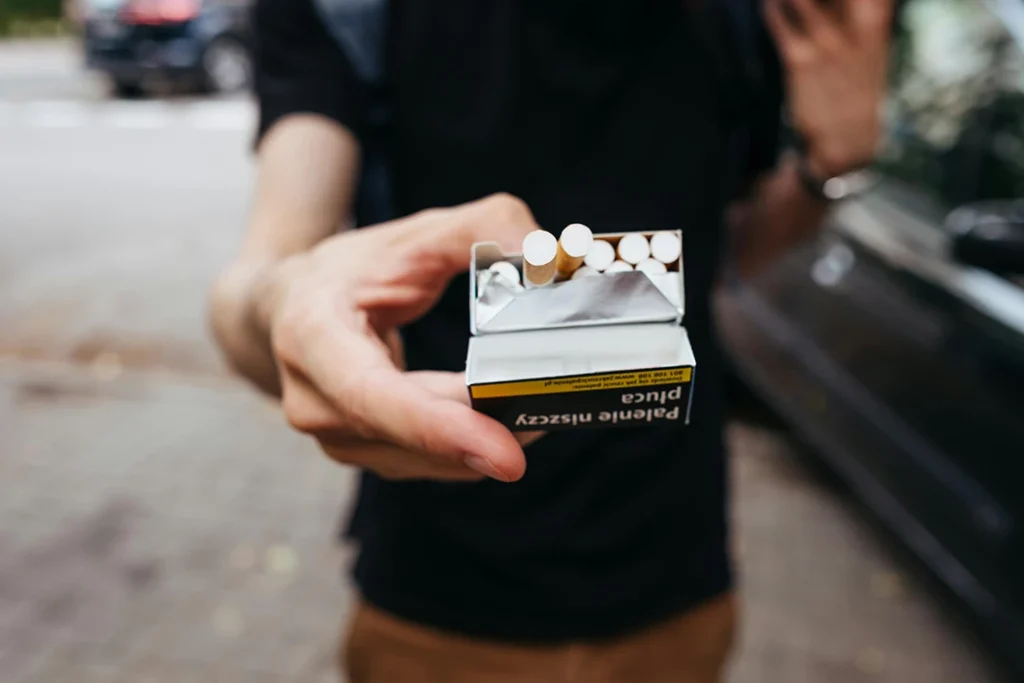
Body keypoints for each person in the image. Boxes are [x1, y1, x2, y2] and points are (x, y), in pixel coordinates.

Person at [209, 0, 892, 680]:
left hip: (678, 584)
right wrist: (285, 307)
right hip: (441, 600)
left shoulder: (758, 20)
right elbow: (262, 272)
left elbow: (724, 256)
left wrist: (826, 167)